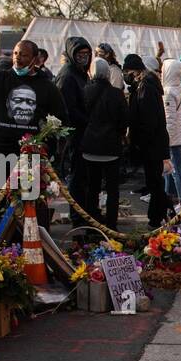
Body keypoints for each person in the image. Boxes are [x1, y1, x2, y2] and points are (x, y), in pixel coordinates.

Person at [78, 58, 129, 230]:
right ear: (107, 72)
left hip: (90, 146)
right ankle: (112, 224)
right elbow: (124, 121)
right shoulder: (117, 93)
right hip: (111, 147)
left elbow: (80, 117)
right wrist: (120, 134)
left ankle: (92, 222)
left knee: (92, 188)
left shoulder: (85, 91)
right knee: (112, 189)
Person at [123, 53, 169, 227]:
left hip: (152, 143)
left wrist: (139, 140)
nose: (125, 75)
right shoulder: (144, 85)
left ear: (135, 71)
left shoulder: (145, 87)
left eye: (127, 71)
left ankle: (157, 216)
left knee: (154, 181)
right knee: (154, 180)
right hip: (153, 141)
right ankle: (161, 212)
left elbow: (147, 119)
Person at [52, 35, 94, 206]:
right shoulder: (68, 76)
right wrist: (88, 120)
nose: (83, 57)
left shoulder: (80, 73)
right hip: (74, 135)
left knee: (83, 178)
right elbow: (67, 109)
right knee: (76, 179)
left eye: (86, 53)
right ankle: (78, 219)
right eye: (79, 54)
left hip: (83, 133)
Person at [161, 58, 181, 219]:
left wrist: (165, 140)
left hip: (172, 137)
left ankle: (179, 202)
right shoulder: (179, 88)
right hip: (180, 136)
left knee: (173, 171)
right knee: (177, 170)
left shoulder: (167, 92)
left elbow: (169, 120)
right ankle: (179, 201)